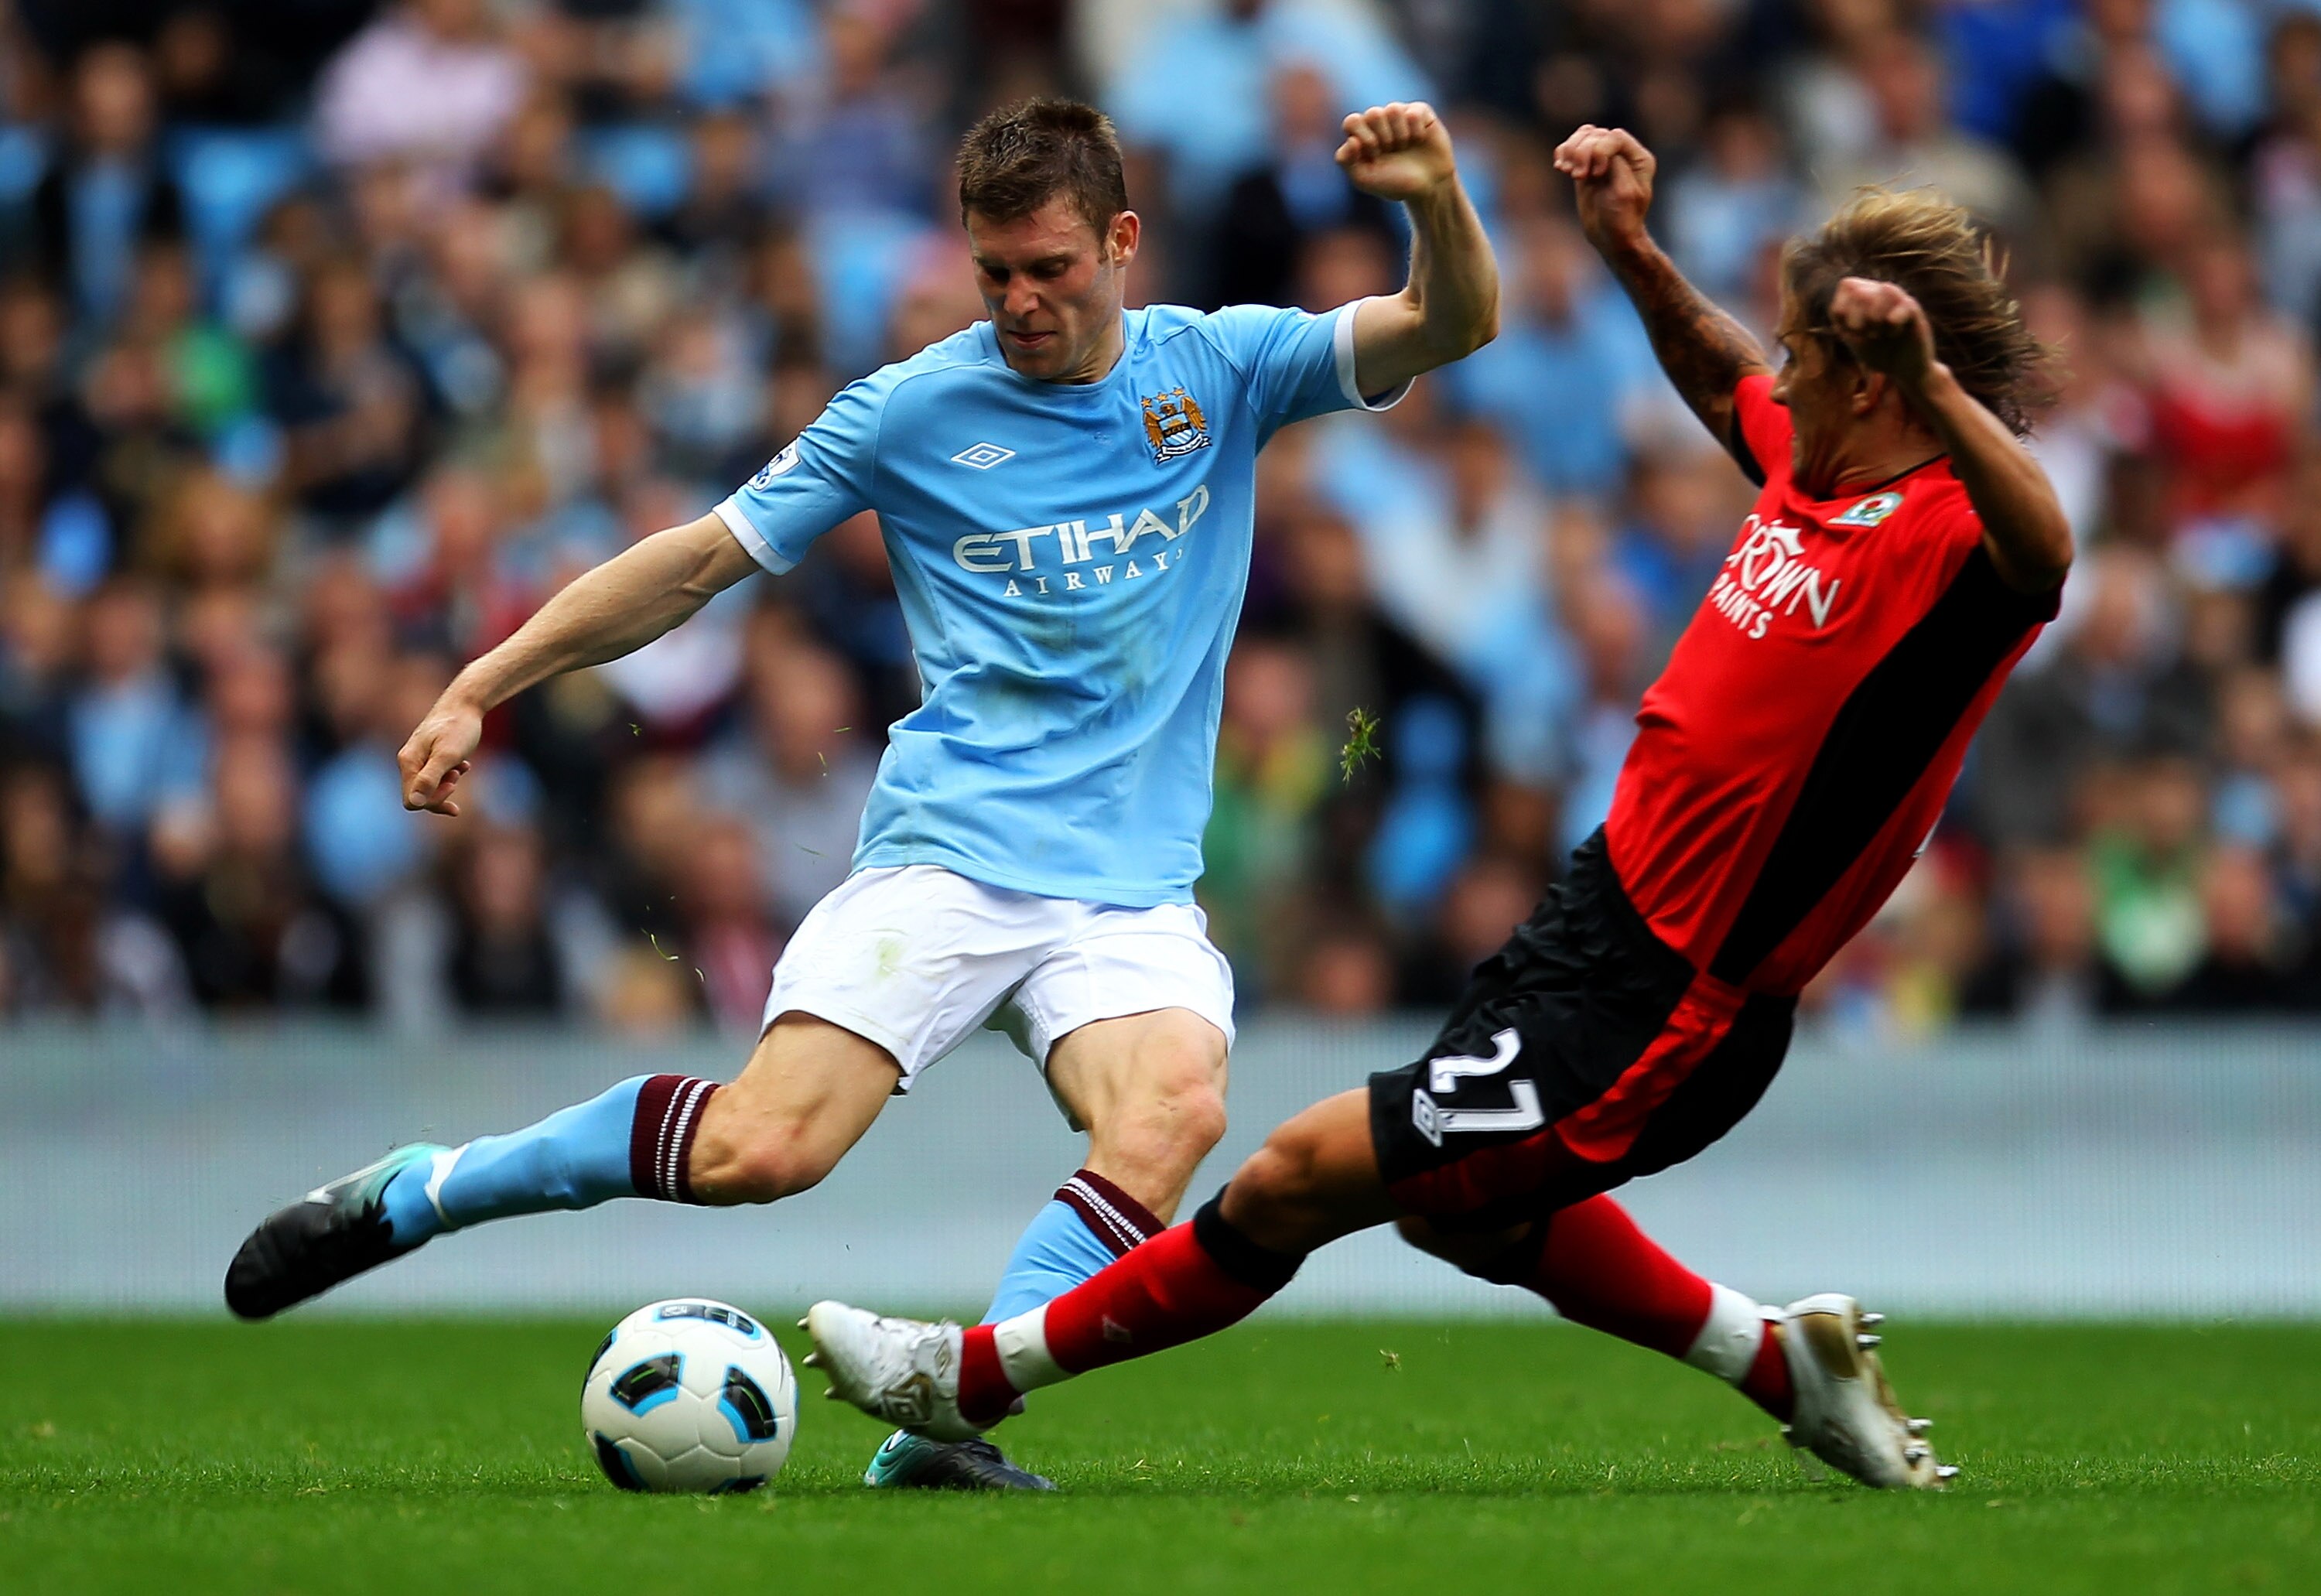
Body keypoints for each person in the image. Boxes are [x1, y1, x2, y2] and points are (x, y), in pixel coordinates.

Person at [221, 97, 1501, 1492]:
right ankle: (427, 1186)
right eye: (994, 272)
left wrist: (1435, 199)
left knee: (1174, 1112)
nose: (1019, 302)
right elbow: (695, 561)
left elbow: (1450, 325)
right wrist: (485, 680)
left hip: (1130, 890)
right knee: (762, 1151)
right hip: (947, 858)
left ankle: (939, 1432)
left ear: (1122, 242)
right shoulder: (910, 410)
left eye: (1052, 268)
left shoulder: (1230, 367)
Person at [803, 125, 2075, 1492]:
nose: (1779, 382)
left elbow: (2047, 550)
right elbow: (1721, 377)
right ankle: (1781, 1364)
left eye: (1809, 363)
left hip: (1680, 997)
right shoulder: (1808, 469)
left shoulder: (1951, 541)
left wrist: (1935, 385)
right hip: (1597, 916)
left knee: (1299, 1176)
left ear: (1881, 387)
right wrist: (1631, 252)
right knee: (1464, 1219)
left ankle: (965, 1379)